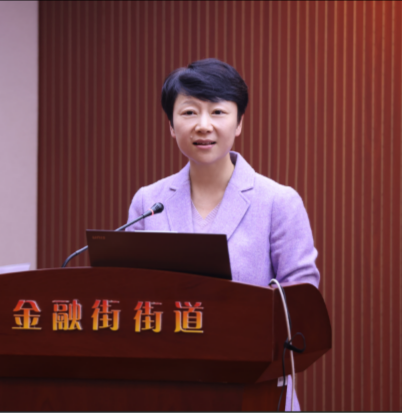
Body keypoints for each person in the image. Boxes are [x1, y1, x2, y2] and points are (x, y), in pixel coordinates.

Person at [126, 58, 320, 411]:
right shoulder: (148, 201)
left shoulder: (278, 201)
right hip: (166, 390)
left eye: (217, 112)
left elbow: (301, 305)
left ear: (239, 122)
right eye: (189, 113)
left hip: (254, 391)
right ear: (171, 125)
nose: (203, 125)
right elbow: (130, 298)